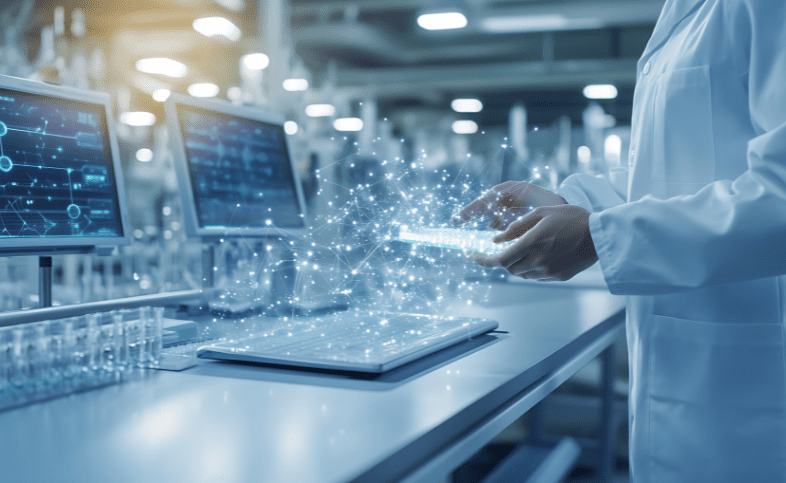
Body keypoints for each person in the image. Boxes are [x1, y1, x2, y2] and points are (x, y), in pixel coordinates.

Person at [457, 1, 786, 481]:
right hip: (699, 382)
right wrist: (571, 204)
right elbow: (671, 180)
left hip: (751, 404)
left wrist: (598, 236)